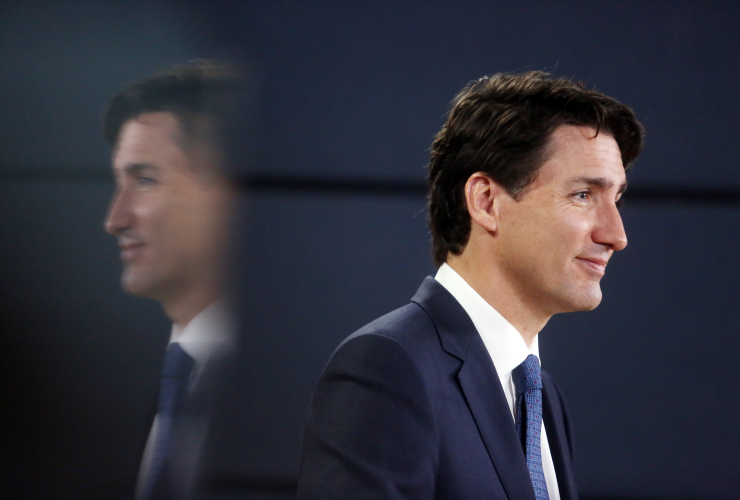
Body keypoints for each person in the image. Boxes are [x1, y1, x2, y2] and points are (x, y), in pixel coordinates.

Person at [297, 71, 644, 500]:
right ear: (486, 202)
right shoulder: (387, 368)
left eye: (618, 199)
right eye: (583, 195)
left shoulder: (541, 397)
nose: (617, 234)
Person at [103, 60, 243, 500]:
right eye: (118, 184)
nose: (114, 220)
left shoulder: (331, 384)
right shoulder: (105, 389)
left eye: (145, 180)